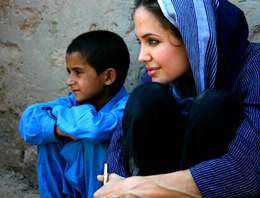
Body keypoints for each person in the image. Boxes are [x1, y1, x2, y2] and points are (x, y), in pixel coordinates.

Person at [94, 0, 260, 197]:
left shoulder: (254, 65)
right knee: (146, 96)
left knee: (213, 104)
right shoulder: (155, 76)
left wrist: (138, 187)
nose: (142, 57)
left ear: (192, 36)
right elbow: (117, 148)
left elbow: (246, 172)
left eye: (153, 41)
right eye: (141, 42)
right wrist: (117, 185)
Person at [19, 30, 130, 197]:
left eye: (78, 72)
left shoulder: (127, 107)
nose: (69, 81)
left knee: (90, 139)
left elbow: (94, 128)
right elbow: (29, 121)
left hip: (102, 190)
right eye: (68, 72)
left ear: (108, 76)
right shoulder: (74, 102)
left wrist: (56, 117)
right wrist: (58, 130)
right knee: (49, 134)